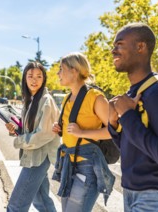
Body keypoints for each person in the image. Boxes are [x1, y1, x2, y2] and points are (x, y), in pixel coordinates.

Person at [108, 22, 158, 212]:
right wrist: (114, 123)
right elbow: (133, 147)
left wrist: (127, 115)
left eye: (119, 45)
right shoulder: (135, 92)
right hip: (132, 191)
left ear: (140, 47)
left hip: (155, 195)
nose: (113, 51)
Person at [52, 52, 115, 212]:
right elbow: (69, 129)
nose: (58, 73)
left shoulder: (95, 97)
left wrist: (82, 133)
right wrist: (58, 129)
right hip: (69, 162)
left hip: (87, 165)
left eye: (61, 69)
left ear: (74, 71)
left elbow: (112, 131)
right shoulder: (67, 98)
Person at [5, 61, 60, 212]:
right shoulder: (30, 100)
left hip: (38, 159)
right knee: (42, 202)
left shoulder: (45, 100)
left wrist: (19, 141)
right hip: (34, 156)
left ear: (44, 79)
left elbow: (44, 134)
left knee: (15, 206)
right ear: (24, 79)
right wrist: (15, 129)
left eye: (38, 76)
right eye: (30, 76)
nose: (34, 80)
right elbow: (30, 129)